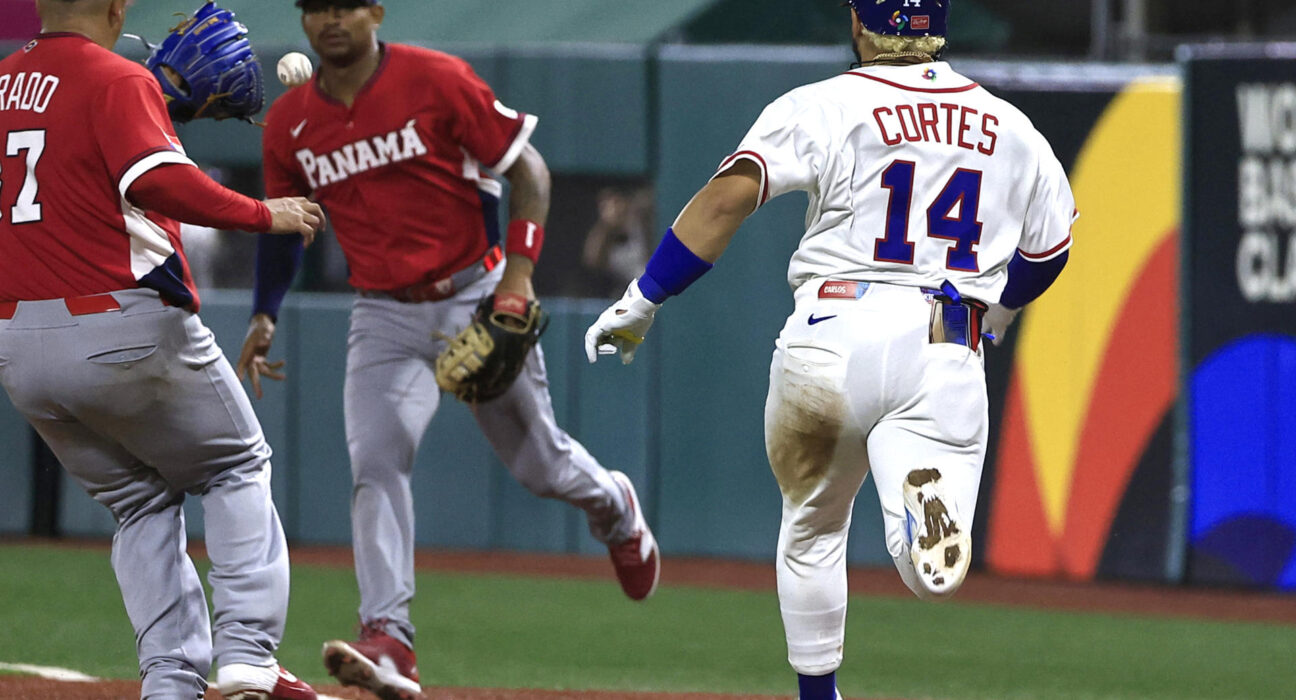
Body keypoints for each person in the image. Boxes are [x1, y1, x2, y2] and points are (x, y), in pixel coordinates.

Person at [585, 1, 1075, 697]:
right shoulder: (1012, 127)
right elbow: (1049, 249)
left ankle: (821, 695)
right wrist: (1001, 310)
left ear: (857, 23)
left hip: (832, 333)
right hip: (946, 341)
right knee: (930, 572)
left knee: (813, 526)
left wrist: (644, 299)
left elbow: (727, 201)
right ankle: (917, 529)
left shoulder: (827, 103)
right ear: (939, 28)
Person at [241, 1, 661, 697]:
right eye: (315, 7)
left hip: (475, 290)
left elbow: (530, 173)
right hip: (382, 314)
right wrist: (263, 315)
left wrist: (518, 281)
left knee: (540, 465)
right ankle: (390, 639)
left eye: (345, 4)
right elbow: (289, 224)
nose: (330, 20)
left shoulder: (437, 79)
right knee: (375, 462)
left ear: (375, 11)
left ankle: (613, 505)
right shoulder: (290, 124)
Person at [0, 1, 327, 699]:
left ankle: (171, 682)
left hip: (18, 345)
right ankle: (247, 651)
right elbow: (155, 181)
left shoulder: (2, 81)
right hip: (122, 324)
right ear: (117, 7)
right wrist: (264, 213)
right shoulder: (116, 80)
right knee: (236, 465)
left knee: (140, 501)